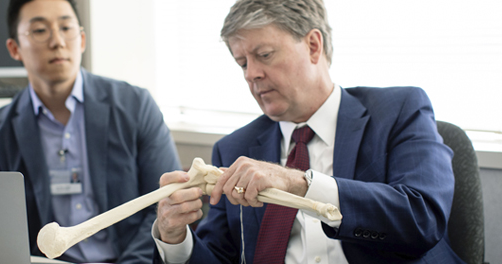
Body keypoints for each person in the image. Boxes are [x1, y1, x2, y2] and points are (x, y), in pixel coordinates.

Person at [153, 0, 465, 263]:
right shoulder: (235, 148)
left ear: (313, 46)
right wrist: (175, 238)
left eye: (264, 55)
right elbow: (219, 256)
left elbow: (422, 217)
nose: (251, 74)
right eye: (241, 63)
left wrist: (298, 183)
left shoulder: (399, 110)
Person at [0, 0, 181, 263]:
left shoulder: (135, 105)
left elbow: (164, 203)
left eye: (66, 27)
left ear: (82, 39)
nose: (58, 41)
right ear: (14, 48)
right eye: (40, 31)